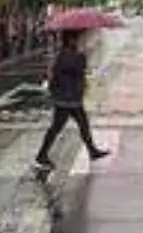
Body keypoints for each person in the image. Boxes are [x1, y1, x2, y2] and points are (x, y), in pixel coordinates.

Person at [34, 30, 110, 171]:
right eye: (79, 39)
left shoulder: (65, 54)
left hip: (69, 96)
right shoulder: (69, 55)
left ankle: (92, 150)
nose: (82, 41)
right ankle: (41, 156)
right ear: (71, 40)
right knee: (58, 128)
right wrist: (83, 56)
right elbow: (77, 69)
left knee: (81, 124)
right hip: (68, 98)